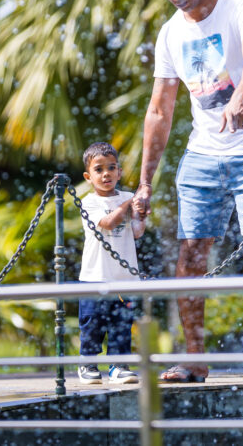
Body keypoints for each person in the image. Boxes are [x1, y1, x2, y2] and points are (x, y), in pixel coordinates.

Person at [132, 0, 243, 384]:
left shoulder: (241, 6)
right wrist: (144, 182)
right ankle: (194, 359)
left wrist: (241, 96)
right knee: (189, 255)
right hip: (203, 154)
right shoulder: (170, 34)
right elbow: (160, 111)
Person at [76, 142, 145, 385]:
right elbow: (107, 223)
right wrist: (128, 205)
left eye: (111, 168)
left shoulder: (128, 197)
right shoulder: (88, 202)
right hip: (95, 276)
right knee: (92, 322)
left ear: (119, 172)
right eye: (99, 169)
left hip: (124, 278)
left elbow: (136, 232)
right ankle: (88, 362)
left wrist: (140, 212)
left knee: (121, 323)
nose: (106, 174)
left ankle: (118, 365)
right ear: (88, 176)